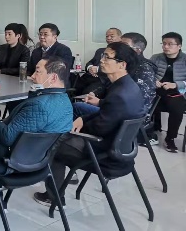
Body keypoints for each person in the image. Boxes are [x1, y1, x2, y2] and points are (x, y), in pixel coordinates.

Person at [34, 42, 145, 207]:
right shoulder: (127, 86)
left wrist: (76, 128)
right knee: (71, 122)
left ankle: (54, 198)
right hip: (123, 150)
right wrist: (85, 117)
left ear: (122, 64)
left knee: (53, 145)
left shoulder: (119, 94)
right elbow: (109, 112)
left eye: (107, 57)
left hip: (106, 155)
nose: (102, 60)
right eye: (103, 55)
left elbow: (100, 127)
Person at [0, 57, 72, 214]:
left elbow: (7, 136)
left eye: (38, 71)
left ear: (53, 77)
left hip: (12, 164)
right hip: (40, 162)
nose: (32, 76)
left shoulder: (39, 105)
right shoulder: (66, 103)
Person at [150, 32, 186, 153]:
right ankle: (151, 133)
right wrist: (154, 81)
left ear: (179, 46)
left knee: (177, 107)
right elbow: (147, 73)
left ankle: (170, 138)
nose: (166, 46)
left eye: (170, 44)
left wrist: (176, 84)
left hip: (177, 92)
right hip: (157, 91)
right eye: (164, 43)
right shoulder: (156, 58)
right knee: (145, 101)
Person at [74, 28, 122, 95]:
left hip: (103, 80)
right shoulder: (100, 50)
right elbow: (90, 62)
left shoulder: (121, 53)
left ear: (120, 37)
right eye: (107, 36)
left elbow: (116, 68)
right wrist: (90, 68)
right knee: (72, 86)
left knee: (87, 94)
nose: (109, 38)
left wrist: (97, 69)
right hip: (89, 77)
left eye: (112, 36)